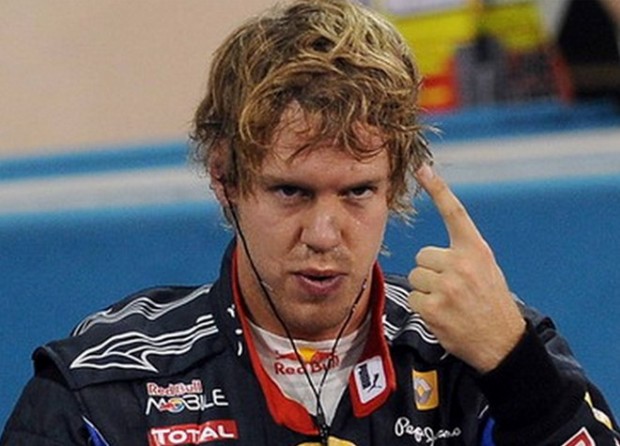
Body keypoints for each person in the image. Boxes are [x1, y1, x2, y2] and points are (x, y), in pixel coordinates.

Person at [1, 0, 619, 445]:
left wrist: (515, 367)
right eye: (291, 191)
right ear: (225, 179)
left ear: (396, 184)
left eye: (358, 192)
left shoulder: (483, 355)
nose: (324, 235)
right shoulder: (106, 390)